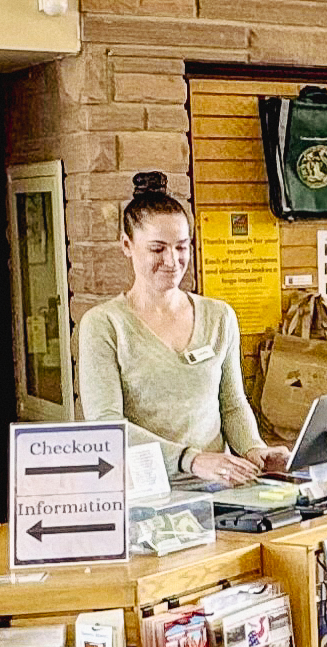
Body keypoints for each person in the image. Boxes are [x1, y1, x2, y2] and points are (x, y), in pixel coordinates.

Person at [74, 172, 290, 485]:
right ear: (126, 245)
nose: (173, 261)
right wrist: (190, 459)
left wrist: (254, 449)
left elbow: (232, 404)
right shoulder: (104, 325)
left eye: (182, 247)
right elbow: (106, 425)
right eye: (157, 249)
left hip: (219, 488)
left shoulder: (219, 317)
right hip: (144, 493)